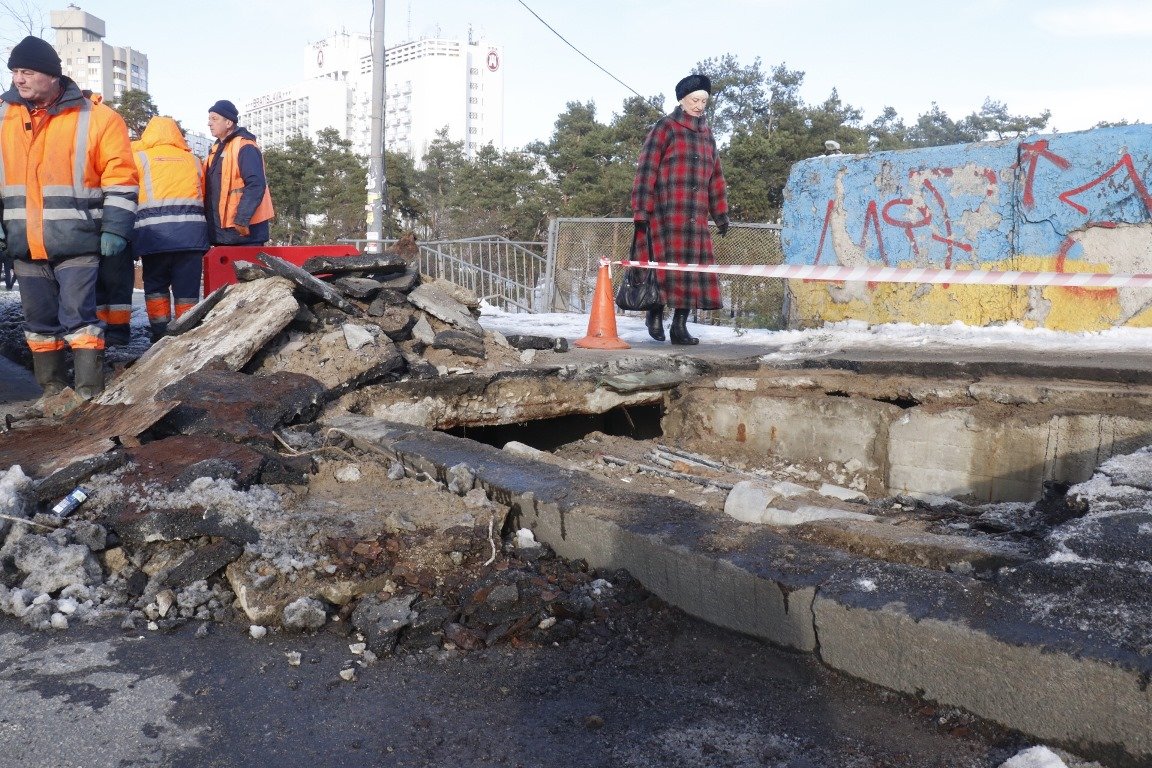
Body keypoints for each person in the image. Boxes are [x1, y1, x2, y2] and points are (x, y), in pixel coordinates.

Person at [0, 36, 138, 401]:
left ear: (51, 75)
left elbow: (121, 180)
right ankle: (53, 396)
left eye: (26, 71)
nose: (18, 79)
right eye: (14, 71)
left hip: (79, 240)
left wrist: (115, 229)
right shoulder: (3, 117)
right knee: (39, 325)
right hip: (23, 242)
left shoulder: (99, 119)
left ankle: (89, 395)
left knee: (80, 319)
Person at [631, 73, 729, 345]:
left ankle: (679, 327)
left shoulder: (708, 135)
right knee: (663, 268)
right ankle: (654, 312)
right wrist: (641, 209)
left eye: (704, 101)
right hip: (666, 214)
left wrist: (720, 213)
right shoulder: (665, 127)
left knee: (689, 273)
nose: (699, 105)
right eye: (695, 100)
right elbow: (646, 169)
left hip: (696, 218)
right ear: (682, 100)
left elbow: (716, 177)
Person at [131, 116, 209, 343]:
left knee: (156, 288)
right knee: (187, 292)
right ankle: (186, 335)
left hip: (154, 237)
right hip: (191, 237)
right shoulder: (193, 160)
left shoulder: (140, 158)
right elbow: (203, 194)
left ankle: (160, 335)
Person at [204, 99, 273, 246]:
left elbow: (255, 184)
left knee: (249, 270)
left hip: (245, 235)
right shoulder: (215, 150)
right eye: (209, 119)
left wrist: (242, 219)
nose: (209, 123)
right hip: (223, 235)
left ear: (228, 123)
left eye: (214, 119)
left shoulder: (245, 146)